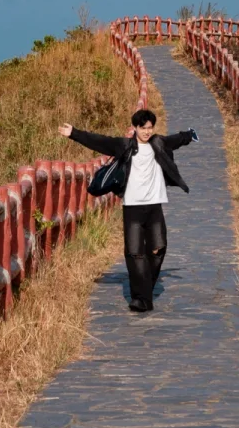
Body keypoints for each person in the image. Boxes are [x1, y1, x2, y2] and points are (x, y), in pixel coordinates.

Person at [59, 109, 196, 312]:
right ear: (135, 128)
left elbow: (177, 139)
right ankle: (140, 298)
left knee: (159, 248)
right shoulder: (124, 146)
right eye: (143, 128)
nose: (147, 132)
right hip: (132, 206)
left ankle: (145, 287)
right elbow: (99, 141)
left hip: (154, 204)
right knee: (134, 252)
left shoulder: (158, 143)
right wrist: (74, 133)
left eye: (150, 128)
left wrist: (189, 135)